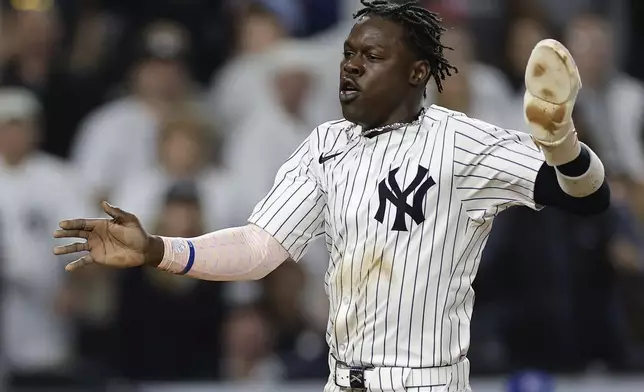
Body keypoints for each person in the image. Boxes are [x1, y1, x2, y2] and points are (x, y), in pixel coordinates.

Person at [53, 1, 610, 391]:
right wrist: (158, 250)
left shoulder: (461, 140)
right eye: (348, 54)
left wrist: (561, 145)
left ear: (418, 72)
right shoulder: (326, 144)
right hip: (341, 379)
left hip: (424, 382)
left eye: (372, 56)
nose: (350, 66)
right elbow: (257, 250)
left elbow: (587, 196)